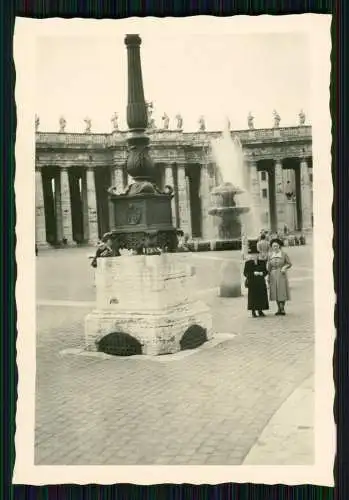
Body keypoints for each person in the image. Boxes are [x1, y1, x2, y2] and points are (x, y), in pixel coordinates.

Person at [243, 240, 269, 318]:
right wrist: (253, 274)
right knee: (253, 297)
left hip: (260, 282)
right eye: (253, 254)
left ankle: (260, 310)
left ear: (258, 255)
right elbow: (245, 273)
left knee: (261, 296)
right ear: (250, 255)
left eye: (256, 254)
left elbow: (265, 271)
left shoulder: (262, 262)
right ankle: (253, 311)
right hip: (252, 282)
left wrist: (262, 273)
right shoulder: (248, 263)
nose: (254, 256)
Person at [267, 237, 292, 315]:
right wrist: (268, 276)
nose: (275, 247)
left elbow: (289, 263)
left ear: (279, 246)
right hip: (273, 275)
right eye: (273, 246)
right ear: (271, 247)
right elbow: (269, 266)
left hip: (281, 274)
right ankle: (278, 309)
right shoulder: (270, 255)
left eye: (276, 246)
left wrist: (284, 267)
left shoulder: (284, 254)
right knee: (275, 292)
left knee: (282, 291)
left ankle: (282, 308)